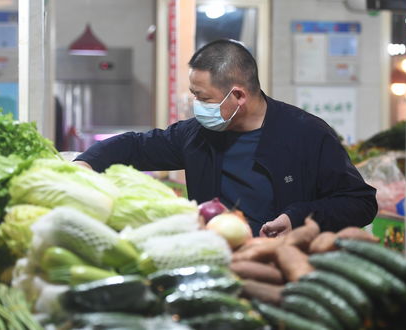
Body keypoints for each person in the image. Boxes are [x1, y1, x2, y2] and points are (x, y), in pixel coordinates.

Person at [74, 39, 377, 237]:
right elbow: (136, 147)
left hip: (284, 267)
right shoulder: (198, 135)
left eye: (201, 97)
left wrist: (296, 217)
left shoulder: (307, 134)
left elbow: (359, 202)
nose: (195, 105)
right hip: (216, 263)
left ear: (238, 96)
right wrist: (86, 164)